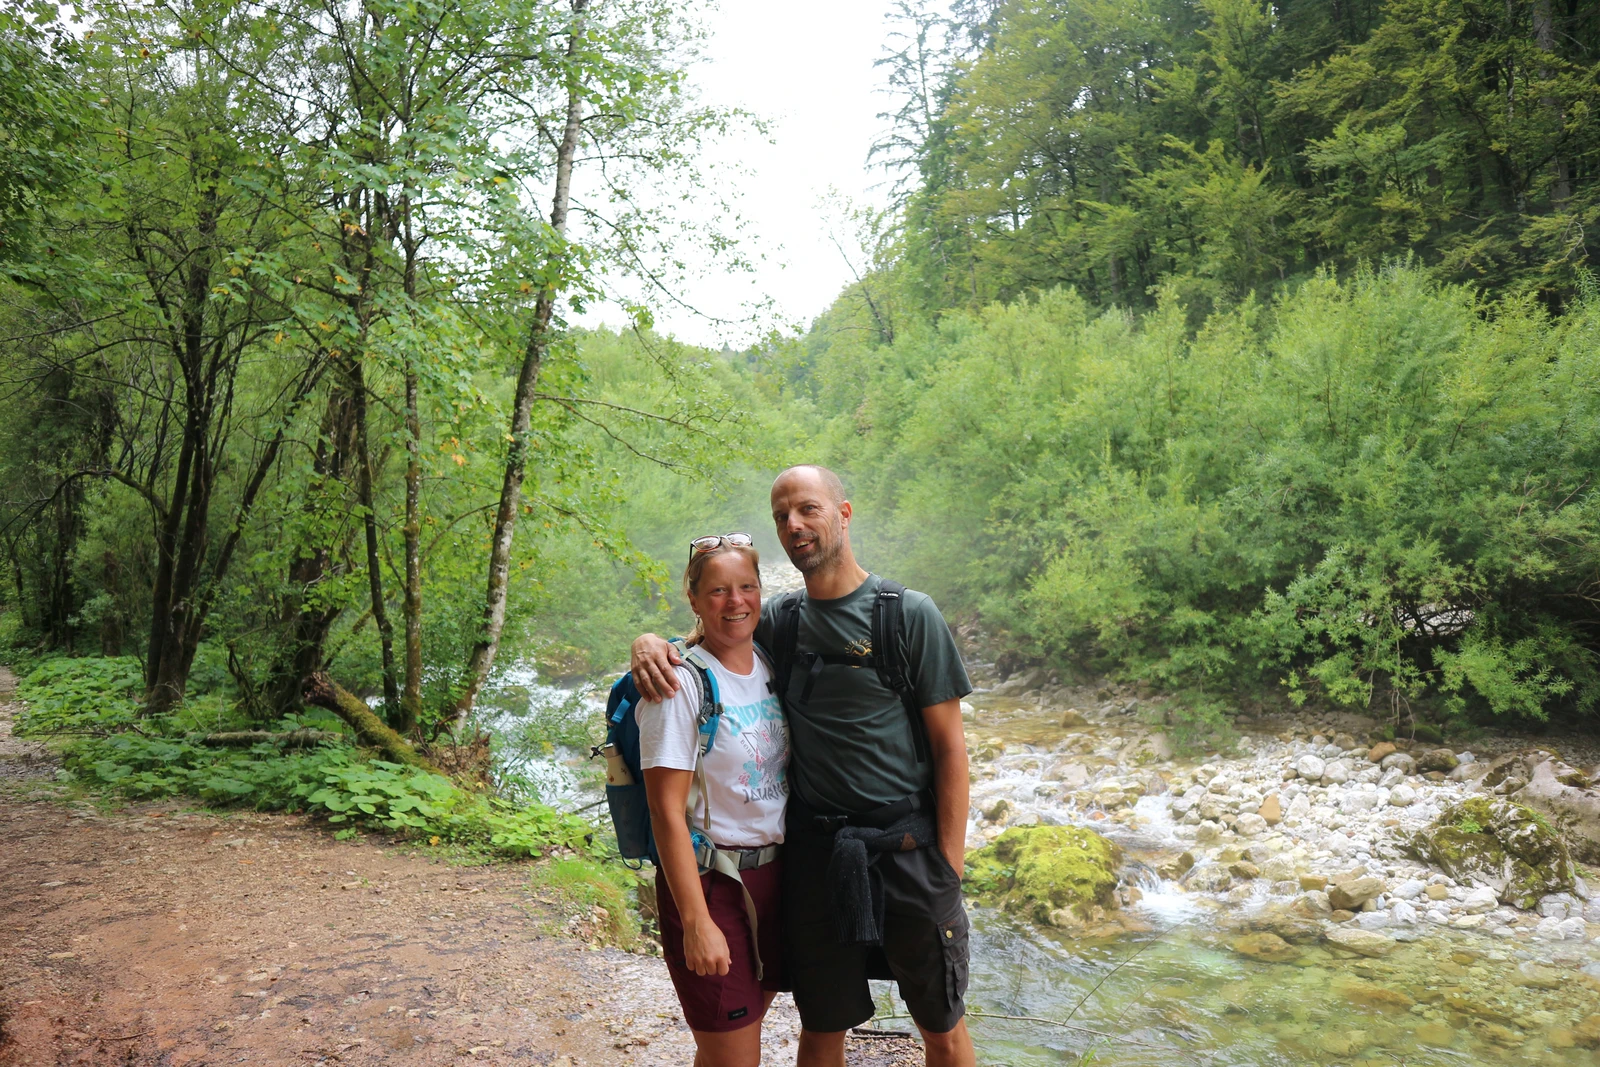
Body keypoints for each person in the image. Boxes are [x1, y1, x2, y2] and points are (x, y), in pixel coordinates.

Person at [632, 465, 976, 1067]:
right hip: (816, 856)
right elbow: (717, 625)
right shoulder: (781, 621)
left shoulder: (908, 614)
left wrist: (949, 868)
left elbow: (951, 749)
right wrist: (648, 643)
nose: (794, 525)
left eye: (808, 509)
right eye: (782, 516)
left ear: (843, 513)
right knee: (823, 1025)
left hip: (907, 848)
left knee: (941, 1026)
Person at [636, 534, 788, 1067]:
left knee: (732, 1046)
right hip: (711, 884)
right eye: (718, 591)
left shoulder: (769, 663)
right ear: (695, 600)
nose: (736, 601)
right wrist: (698, 922)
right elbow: (665, 813)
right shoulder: (677, 687)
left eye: (747, 587)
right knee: (735, 1055)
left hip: (773, 879)